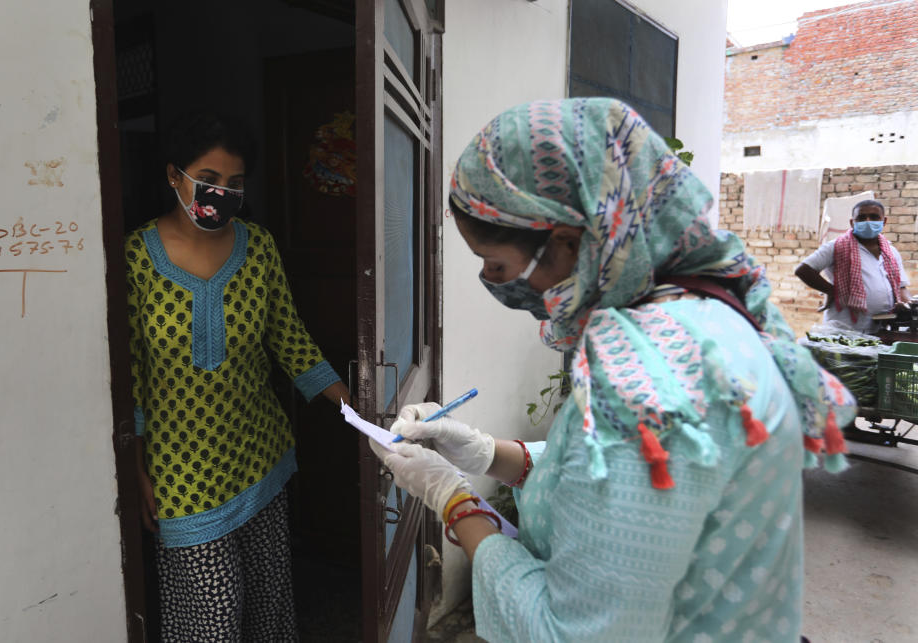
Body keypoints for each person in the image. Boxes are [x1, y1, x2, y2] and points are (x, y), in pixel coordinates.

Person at [368, 98, 855, 642]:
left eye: (498, 266)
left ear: (570, 242)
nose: (495, 283)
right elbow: (619, 485)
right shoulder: (700, 316)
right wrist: (491, 454)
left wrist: (453, 499)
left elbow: (568, 633)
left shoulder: (650, 380)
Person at [126, 111, 350, 642]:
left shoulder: (259, 248)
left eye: (234, 183)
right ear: (174, 176)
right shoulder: (135, 257)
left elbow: (290, 341)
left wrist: (357, 413)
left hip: (258, 456)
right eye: (209, 180)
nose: (221, 193)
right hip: (180, 475)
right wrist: (136, 472)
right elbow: (129, 377)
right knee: (212, 621)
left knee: (269, 610)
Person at [795, 199, 911, 334]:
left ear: (884, 221)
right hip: (845, 327)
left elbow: (901, 288)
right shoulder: (836, 247)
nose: (868, 221)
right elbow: (803, 270)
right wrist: (831, 290)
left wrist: (908, 304)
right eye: (861, 218)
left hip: (881, 327)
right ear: (852, 222)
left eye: (874, 217)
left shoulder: (891, 251)